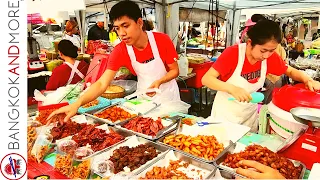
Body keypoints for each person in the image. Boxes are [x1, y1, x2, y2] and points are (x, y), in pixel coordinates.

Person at [47, 0, 180, 123]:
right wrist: (76, 104)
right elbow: (101, 83)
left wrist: (159, 82)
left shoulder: (161, 40)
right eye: (117, 28)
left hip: (169, 97)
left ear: (139, 23)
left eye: (125, 26)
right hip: (144, 99)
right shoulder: (121, 50)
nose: (121, 33)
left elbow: (175, 71)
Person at [202, 20, 320, 132]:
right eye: (263, 50)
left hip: (248, 117)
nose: (267, 55)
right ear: (250, 43)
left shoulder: (270, 58)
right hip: (226, 116)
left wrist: (307, 79)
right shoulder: (233, 54)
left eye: (272, 51)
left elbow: (289, 71)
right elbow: (207, 79)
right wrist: (232, 89)